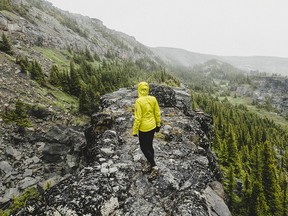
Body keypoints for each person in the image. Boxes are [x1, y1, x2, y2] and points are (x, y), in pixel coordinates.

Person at [132, 82, 161, 181]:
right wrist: (158, 124)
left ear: (139, 89)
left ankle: (154, 166)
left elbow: (138, 118)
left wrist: (134, 131)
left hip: (144, 128)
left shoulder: (139, 101)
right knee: (150, 146)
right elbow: (157, 112)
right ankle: (150, 163)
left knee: (144, 148)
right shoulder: (153, 99)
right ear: (147, 89)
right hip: (152, 126)